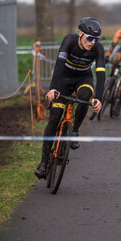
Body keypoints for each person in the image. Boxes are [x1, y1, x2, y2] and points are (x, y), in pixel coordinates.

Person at [35, 17, 105, 179]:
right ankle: (44, 163)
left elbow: (101, 74)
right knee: (55, 117)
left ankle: (74, 131)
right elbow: (59, 65)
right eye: (89, 38)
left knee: (86, 95)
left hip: (83, 78)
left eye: (96, 39)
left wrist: (99, 98)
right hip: (63, 79)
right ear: (80, 34)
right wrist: (52, 88)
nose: (92, 42)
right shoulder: (69, 40)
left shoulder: (97, 49)